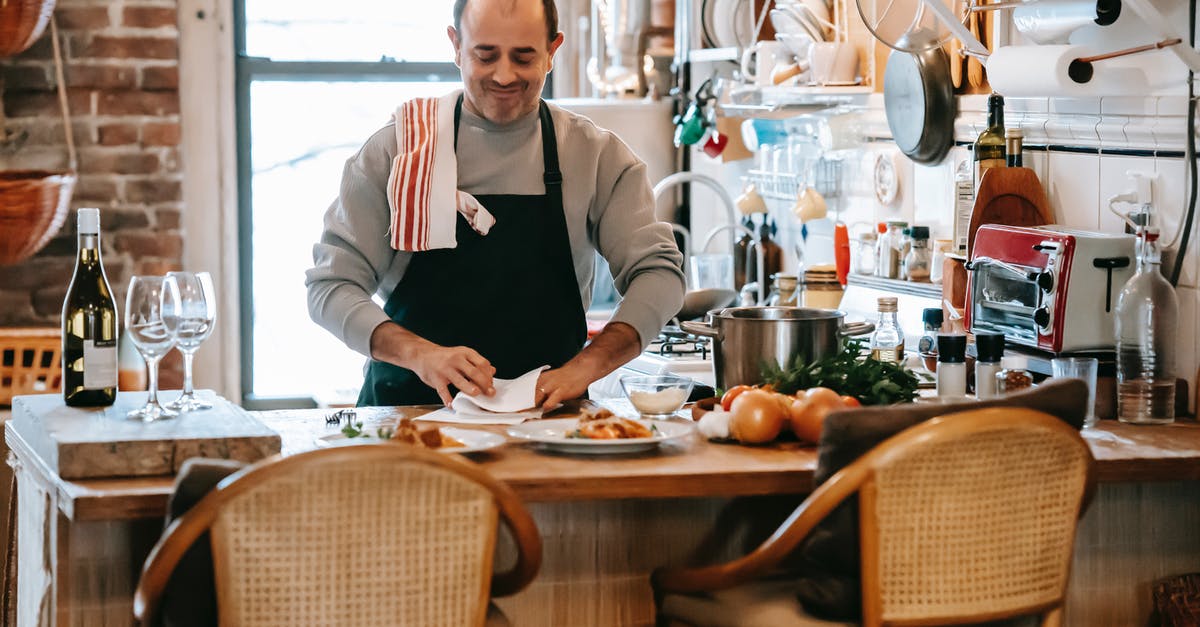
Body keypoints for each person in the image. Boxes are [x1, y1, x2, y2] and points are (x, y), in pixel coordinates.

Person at [305, 0, 685, 409]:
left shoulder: (595, 156)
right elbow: (331, 286)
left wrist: (588, 366)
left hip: (550, 426)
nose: (504, 75)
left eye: (524, 57)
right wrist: (418, 353)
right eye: (485, 55)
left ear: (553, 51)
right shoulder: (399, 151)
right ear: (455, 45)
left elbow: (659, 275)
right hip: (406, 423)